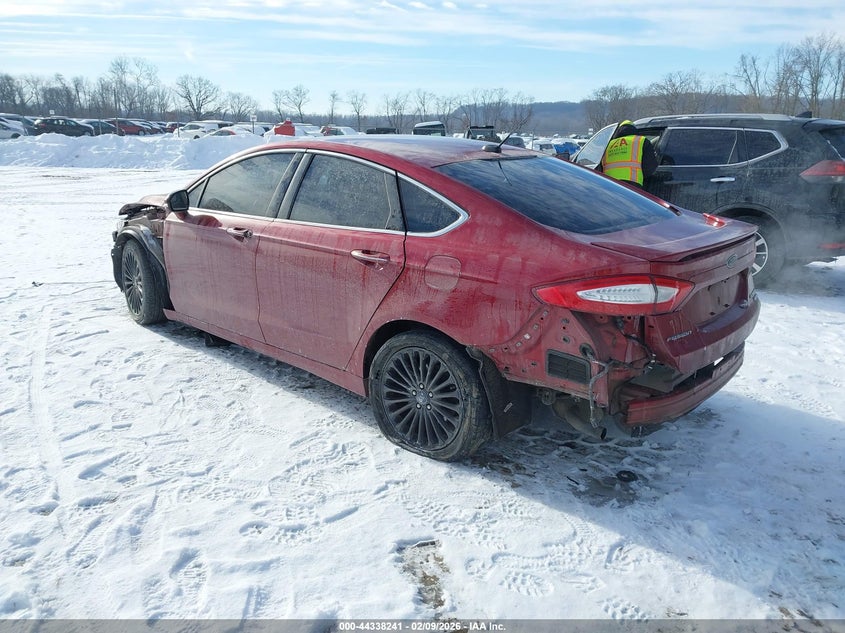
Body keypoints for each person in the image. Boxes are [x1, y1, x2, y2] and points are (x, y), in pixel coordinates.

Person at [599, 120, 658, 187]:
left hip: (609, 185)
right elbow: (650, 166)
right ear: (634, 129)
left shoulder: (608, 144)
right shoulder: (641, 141)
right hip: (632, 186)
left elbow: (600, 166)